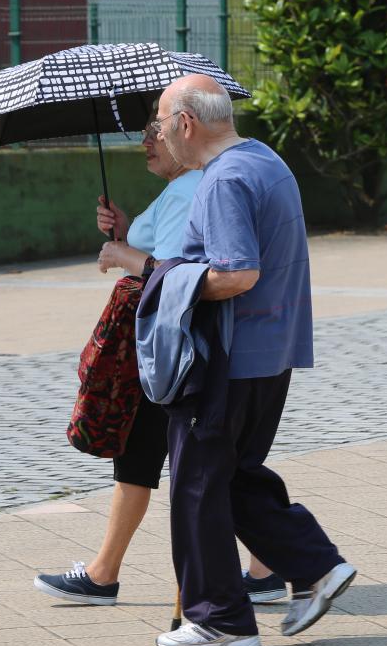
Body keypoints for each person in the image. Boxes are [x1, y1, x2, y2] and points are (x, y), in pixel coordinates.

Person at [34, 110, 285, 606]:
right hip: (169, 340)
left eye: (157, 131)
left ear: (184, 132)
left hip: (170, 344)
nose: (147, 141)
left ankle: (232, 587)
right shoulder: (185, 187)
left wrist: (124, 255)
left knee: (190, 464)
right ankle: (258, 569)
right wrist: (125, 232)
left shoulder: (199, 186)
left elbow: (176, 273)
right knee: (171, 458)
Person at [151, 74, 356, 646]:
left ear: (186, 123)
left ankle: (220, 620)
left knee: (197, 485)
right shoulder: (266, 160)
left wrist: (169, 282)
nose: (161, 137)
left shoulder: (225, 179)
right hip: (270, 354)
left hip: (228, 361)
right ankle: (317, 565)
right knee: (234, 477)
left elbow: (237, 273)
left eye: (162, 124)